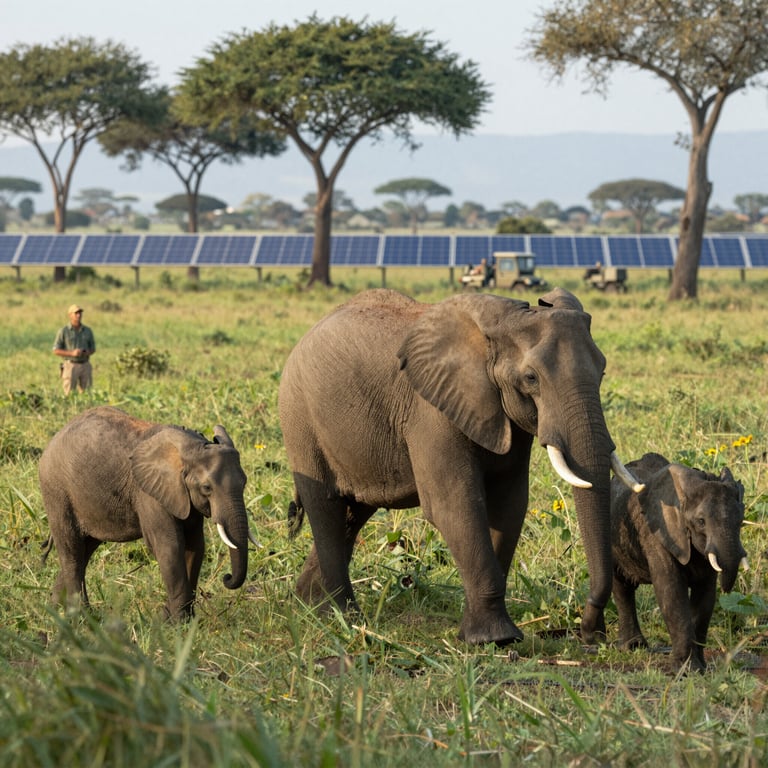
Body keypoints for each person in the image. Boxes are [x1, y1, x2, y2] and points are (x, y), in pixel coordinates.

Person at [53, 303, 96, 395]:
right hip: (70, 365)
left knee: (87, 393)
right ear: (70, 315)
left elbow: (92, 348)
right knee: (69, 393)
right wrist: (72, 353)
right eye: (76, 313)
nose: (78, 315)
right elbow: (56, 350)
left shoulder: (87, 330)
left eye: (80, 313)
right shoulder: (64, 331)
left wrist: (86, 352)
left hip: (85, 364)